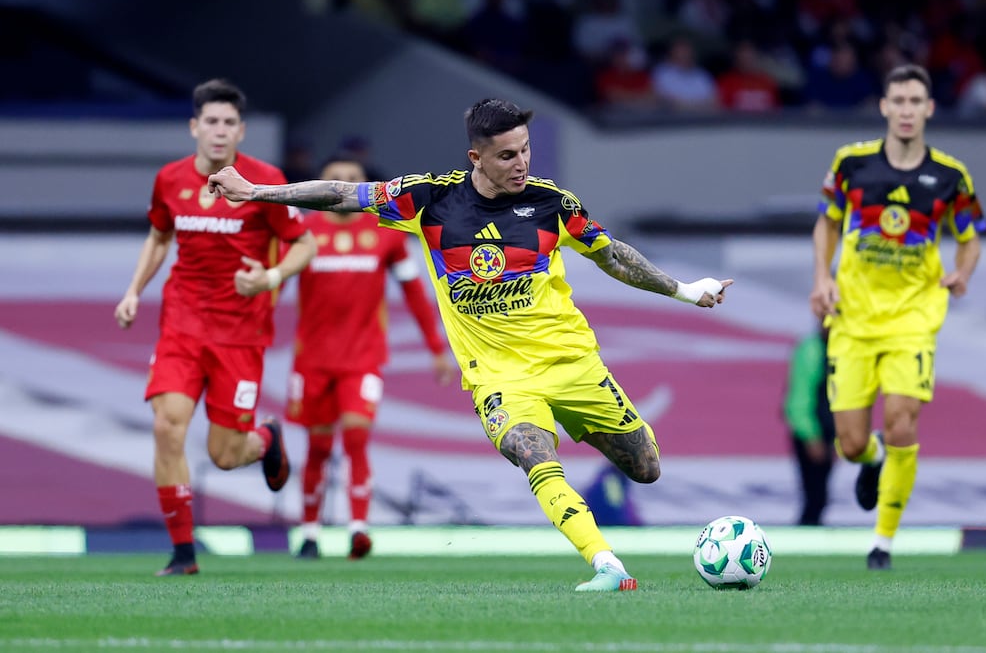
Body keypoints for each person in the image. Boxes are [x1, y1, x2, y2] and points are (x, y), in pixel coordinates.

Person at [208, 98, 733, 592]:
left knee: (646, 468)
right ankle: (607, 564)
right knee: (534, 454)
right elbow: (345, 195)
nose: (521, 163)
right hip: (500, 378)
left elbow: (613, 255)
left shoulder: (551, 205)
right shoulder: (430, 201)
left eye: (525, 149)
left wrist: (687, 291)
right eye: (507, 155)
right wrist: (255, 191)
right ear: (475, 157)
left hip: (574, 364)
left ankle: (584, 427)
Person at [114, 78, 317, 576]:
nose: (220, 131)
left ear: (241, 131)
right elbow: (160, 236)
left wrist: (268, 277)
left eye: (229, 123)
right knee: (167, 428)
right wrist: (134, 290)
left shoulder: (264, 180)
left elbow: (305, 244)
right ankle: (184, 554)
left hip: (240, 334)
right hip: (181, 325)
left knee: (225, 455)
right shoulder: (170, 179)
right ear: (194, 127)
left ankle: (266, 439)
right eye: (211, 122)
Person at [810, 64, 986, 570]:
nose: (907, 110)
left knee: (902, 420)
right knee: (849, 442)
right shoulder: (851, 164)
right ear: (884, 107)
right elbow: (826, 222)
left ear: (929, 109)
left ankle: (883, 541)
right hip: (853, 319)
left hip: (913, 318)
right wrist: (821, 277)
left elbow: (971, 235)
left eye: (916, 101)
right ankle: (872, 459)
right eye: (898, 101)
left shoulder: (950, 177)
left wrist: (962, 271)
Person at [288, 155, 455, 560]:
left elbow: (414, 293)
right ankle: (309, 532)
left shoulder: (386, 232)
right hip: (312, 359)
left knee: (357, 437)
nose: (342, 186)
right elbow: (273, 284)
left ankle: (358, 529)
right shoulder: (302, 229)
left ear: (362, 186)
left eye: (351, 180)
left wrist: (436, 347)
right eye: (334, 180)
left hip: (363, 357)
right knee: (318, 446)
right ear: (320, 185)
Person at [782, 325, 836, 526]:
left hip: (826, 431)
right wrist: (811, 436)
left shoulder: (838, 347)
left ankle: (811, 529)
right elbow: (799, 398)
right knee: (815, 494)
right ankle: (808, 531)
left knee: (820, 493)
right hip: (813, 432)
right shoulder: (812, 349)